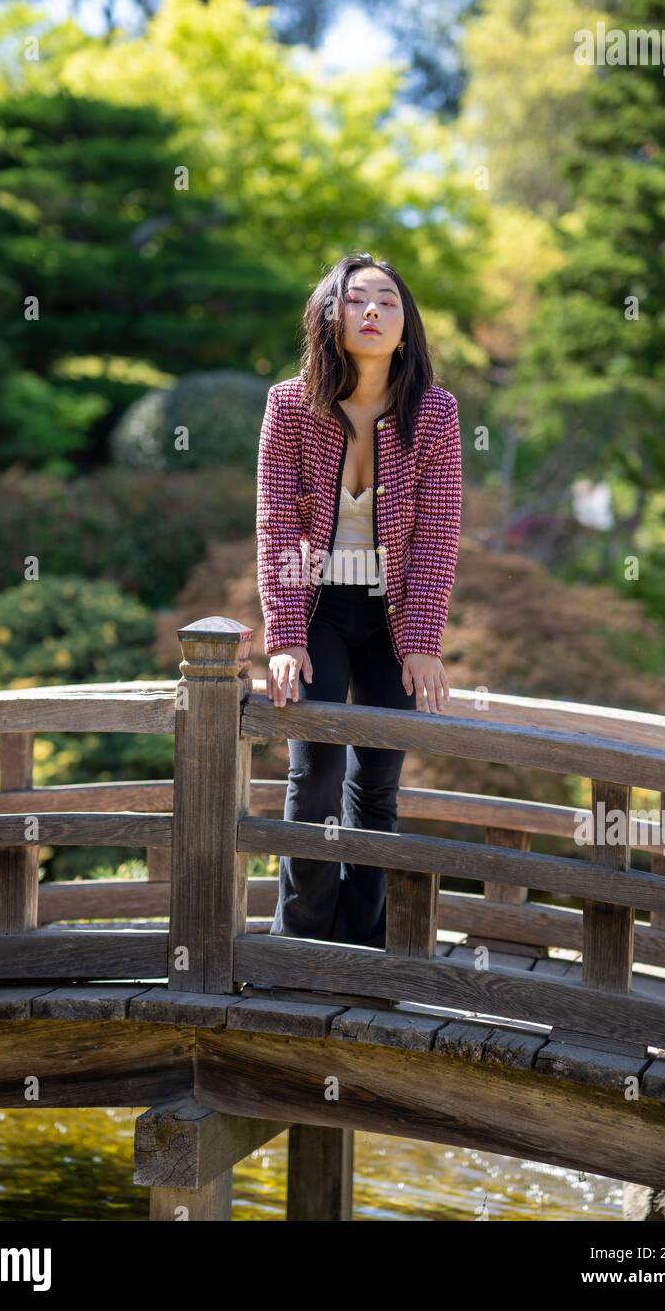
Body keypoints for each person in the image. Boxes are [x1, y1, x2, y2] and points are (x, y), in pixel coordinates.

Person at [256, 252, 462, 950]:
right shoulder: (290, 404)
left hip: (392, 616)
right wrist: (284, 634)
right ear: (330, 316)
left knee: (377, 783)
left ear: (406, 330)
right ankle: (300, 939)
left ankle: (366, 947)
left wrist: (425, 643)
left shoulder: (435, 413)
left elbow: (437, 532)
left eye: (389, 303)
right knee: (313, 774)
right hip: (318, 609)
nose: (373, 311)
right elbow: (277, 522)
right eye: (357, 300)